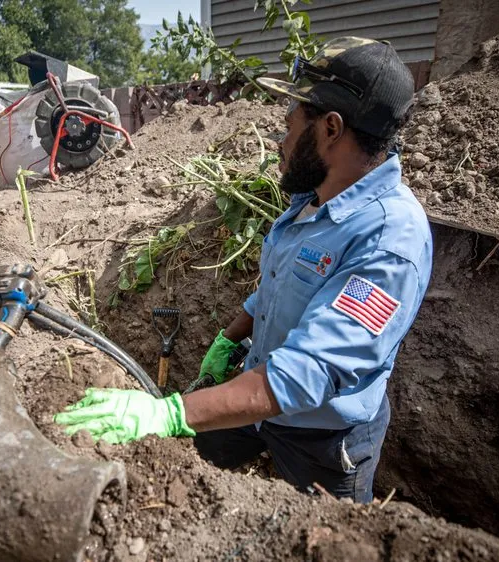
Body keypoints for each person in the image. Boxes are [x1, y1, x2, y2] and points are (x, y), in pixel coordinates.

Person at [54, 37, 433, 502]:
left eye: (289, 125)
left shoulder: (389, 241)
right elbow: (276, 288)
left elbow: (305, 375)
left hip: (322, 438)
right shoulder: (314, 199)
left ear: (331, 128)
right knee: (171, 468)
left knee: (333, 533)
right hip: (252, 400)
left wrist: (170, 413)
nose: (280, 140)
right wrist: (229, 339)